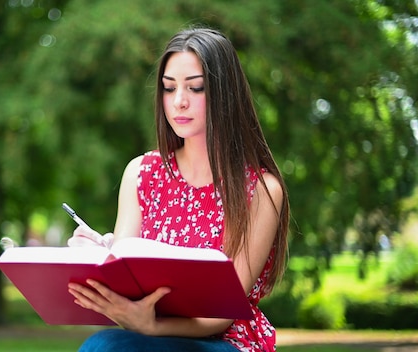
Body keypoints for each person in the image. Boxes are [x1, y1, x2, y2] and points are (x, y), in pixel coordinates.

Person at [67, 27, 290, 352]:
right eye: (168, 89)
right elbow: (127, 287)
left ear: (224, 93)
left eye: (195, 88)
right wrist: (100, 257)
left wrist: (151, 325)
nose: (179, 101)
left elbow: (224, 313)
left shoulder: (261, 189)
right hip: (146, 338)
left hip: (225, 342)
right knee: (100, 345)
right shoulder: (140, 174)